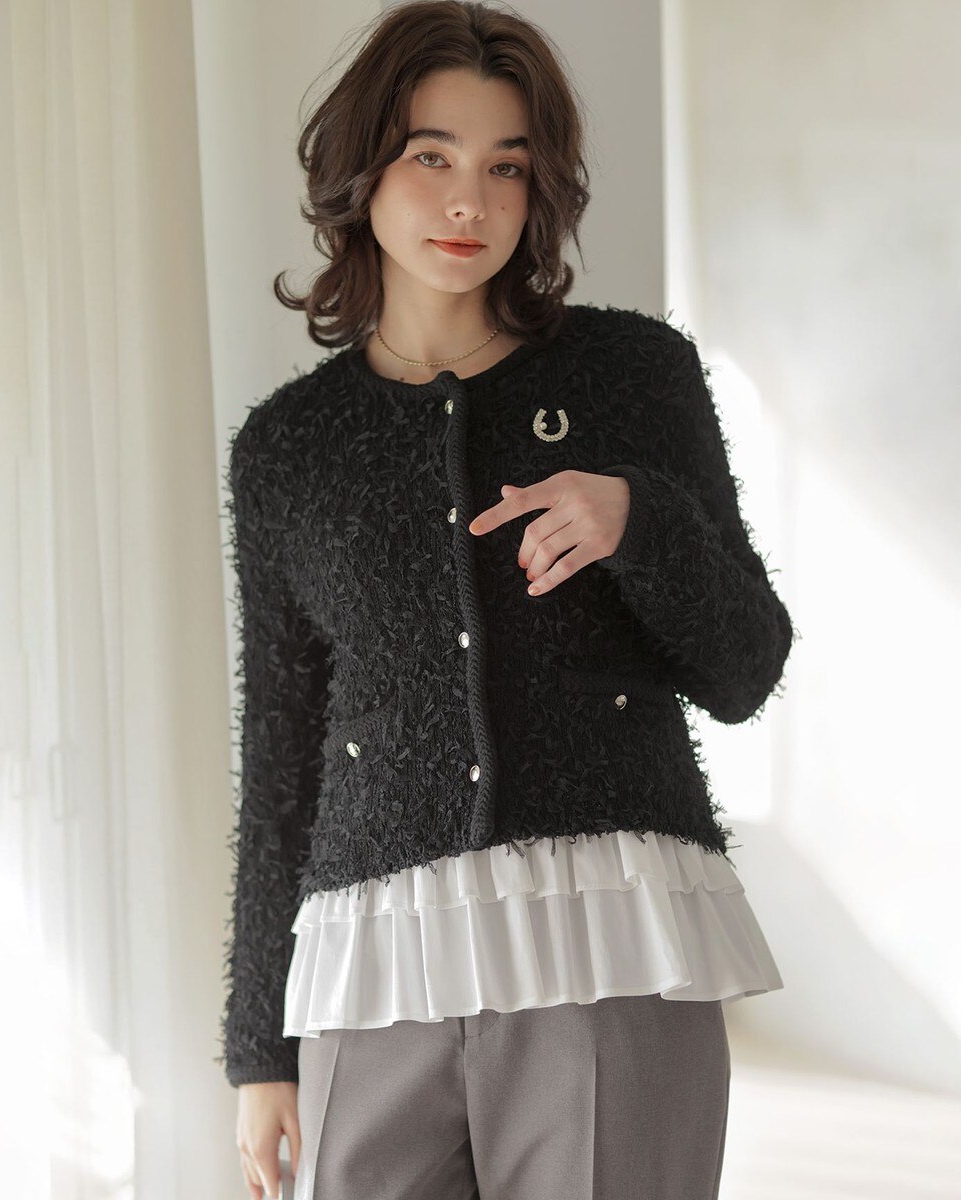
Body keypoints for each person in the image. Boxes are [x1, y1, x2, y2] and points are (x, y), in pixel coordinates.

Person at [218, 4, 795, 1199]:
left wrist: (638, 519)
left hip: (605, 936)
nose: (467, 202)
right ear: (360, 172)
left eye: (506, 167)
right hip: (370, 963)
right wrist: (257, 1053)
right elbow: (281, 752)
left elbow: (745, 664)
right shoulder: (288, 448)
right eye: (431, 157)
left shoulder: (633, 374)